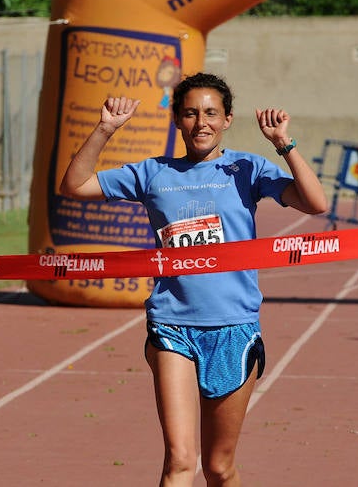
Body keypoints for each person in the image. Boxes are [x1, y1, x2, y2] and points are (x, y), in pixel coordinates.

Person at [59, 72, 328, 485]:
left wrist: (283, 145)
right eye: (189, 113)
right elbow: (75, 185)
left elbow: (316, 203)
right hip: (173, 325)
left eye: (210, 113)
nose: (200, 122)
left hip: (234, 327)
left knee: (219, 468)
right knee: (180, 462)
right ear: (177, 121)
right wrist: (104, 129)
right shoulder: (153, 173)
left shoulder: (247, 169)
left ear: (227, 120)